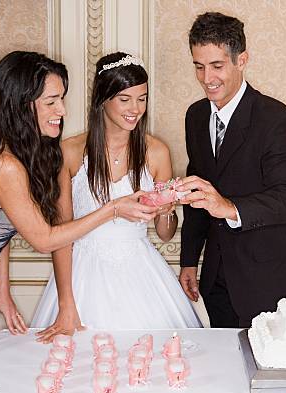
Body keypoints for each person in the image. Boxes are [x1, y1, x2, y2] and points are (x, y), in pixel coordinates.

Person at [0, 51, 150, 393]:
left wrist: (2, 287)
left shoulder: (17, 152)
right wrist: (112, 208)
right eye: (51, 102)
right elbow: (43, 238)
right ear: (21, 105)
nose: (62, 111)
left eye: (61, 100)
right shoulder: (2, 163)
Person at [32, 52, 201, 338]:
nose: (135, 108)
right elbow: (60, 235)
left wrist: (166, 209)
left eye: (142, 98)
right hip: (83, 274)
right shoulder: (70, 152)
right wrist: (66, 303)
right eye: (125, 99)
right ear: (103, 99)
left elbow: (165, 233)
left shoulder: (157, 152)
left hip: (141, 273)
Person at [177, 12, 286, 328]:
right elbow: (199, 193)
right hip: (216, 279)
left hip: (267, 279)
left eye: (217, 66)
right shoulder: (195, 117)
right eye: (199, 66)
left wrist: (229, 207)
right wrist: (189, 261)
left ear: (242, 60)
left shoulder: (276, 119)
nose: (207, 78)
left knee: (267, 371)